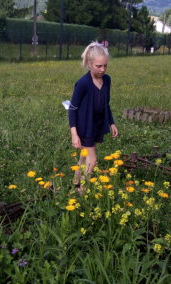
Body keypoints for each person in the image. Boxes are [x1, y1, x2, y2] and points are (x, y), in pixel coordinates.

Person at [68, 42, 118, 187]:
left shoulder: (107, 80)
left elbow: (106, 104)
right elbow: (72, 108)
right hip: (84, 126)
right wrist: (74, 133)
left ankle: (76, 184)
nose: (102, 69)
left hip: (97, 125)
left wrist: (111, 122)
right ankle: (82, 190)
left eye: (105, 66)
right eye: (98, 66)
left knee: (84, 158)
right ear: (89, 64)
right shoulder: (83, 83)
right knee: (92, 159)